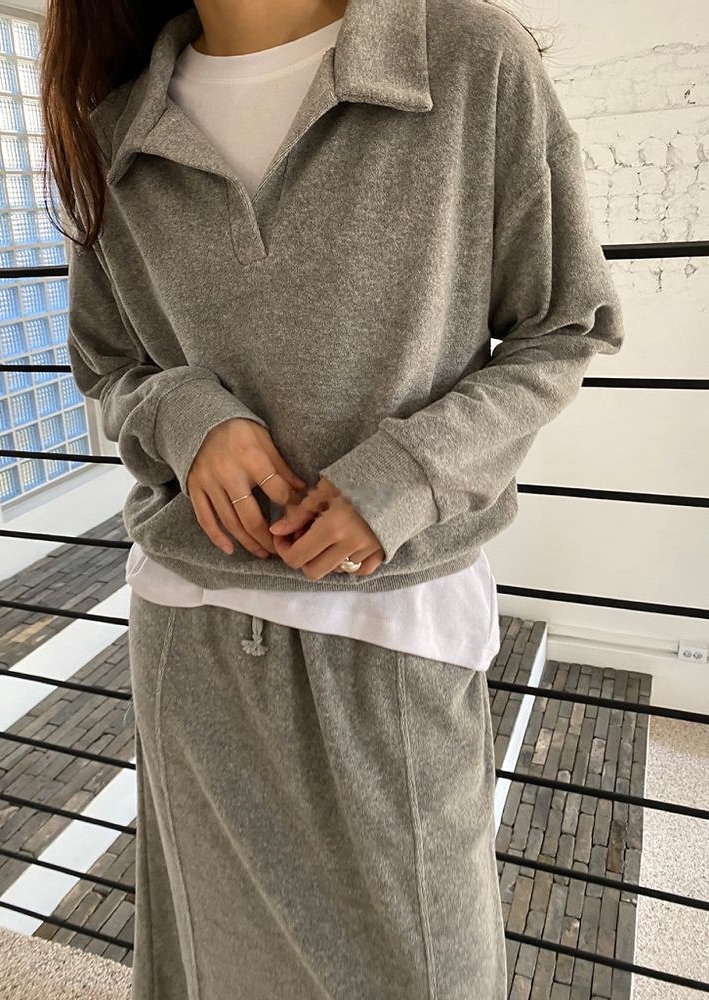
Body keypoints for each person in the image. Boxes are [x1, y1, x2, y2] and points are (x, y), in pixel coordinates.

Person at [44, 0, 625, 996]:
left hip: (388, 635)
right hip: (191, 637)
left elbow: (564, 328)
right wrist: (187, 416)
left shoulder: (467, 62)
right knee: (212, 968)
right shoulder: (115, 130)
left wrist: (408, 474)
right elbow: (108, 365)